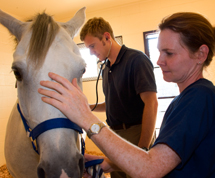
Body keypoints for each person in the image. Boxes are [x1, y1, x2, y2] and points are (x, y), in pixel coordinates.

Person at [38, 12, 215, 177]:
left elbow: (150, 168)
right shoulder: (185, 98)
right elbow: (164, 161)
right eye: (160, 51)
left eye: (168, 53)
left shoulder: (199, 97)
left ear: (201, 54)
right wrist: (108, 163)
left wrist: (85, 117)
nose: (159, 61)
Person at [79, 17, 158, 178]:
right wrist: (87, 107)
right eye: (88, 48)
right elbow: (112, 103)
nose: (91, 52)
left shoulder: (136, 60)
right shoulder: (107, 67)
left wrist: (142, 149)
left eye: (92, 46)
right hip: (114, 135)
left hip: (136, 132)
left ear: (107, 37)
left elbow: (152, 103)